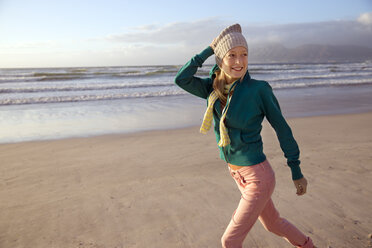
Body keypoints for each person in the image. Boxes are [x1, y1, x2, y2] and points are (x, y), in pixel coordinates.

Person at [174, 24, 315, 248]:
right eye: (232, 55)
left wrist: (296, 170)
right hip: (237, 174)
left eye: (244, 54)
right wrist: (210, 49)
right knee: (273, 224)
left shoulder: (258, 90)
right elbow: (181, 79)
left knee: (229, 241)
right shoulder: (213, 90)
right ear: (220, 60)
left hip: (258, 177)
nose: (240, 61)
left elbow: (283, 130)